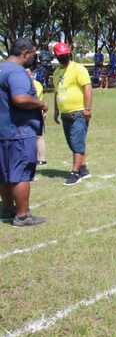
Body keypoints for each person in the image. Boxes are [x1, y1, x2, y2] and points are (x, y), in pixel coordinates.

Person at [1, 38, 47, 227]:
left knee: (4, 173)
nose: (34, 58)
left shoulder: (2, 68)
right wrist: (41, 104)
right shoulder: (17, 72)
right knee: (21, 173)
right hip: (18, 131)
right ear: (25, 53)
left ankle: (7, 208)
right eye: (33, 54)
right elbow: (20, 98)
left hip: (3, 131)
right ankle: (22, 215)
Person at [52, 42, 93, 186]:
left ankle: (75, 173)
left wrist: (87, 109)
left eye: (65, 55)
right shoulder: (56, 72)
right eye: (60, 56)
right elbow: (57, 92)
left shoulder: (78, 69)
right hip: (65, 114)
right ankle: (83, 168)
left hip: (79, 113)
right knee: (72, 142)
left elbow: (87, 88)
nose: (63, 58)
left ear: (69, 54)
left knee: (77, 142)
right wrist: (56, 111)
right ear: (56, 57)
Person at [27, 69, 47, 166]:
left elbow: (34, 99)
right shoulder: (35, 84)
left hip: (35, 111)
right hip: (34, 110)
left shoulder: (35, 85)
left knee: (39, 136)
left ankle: (41, 158)